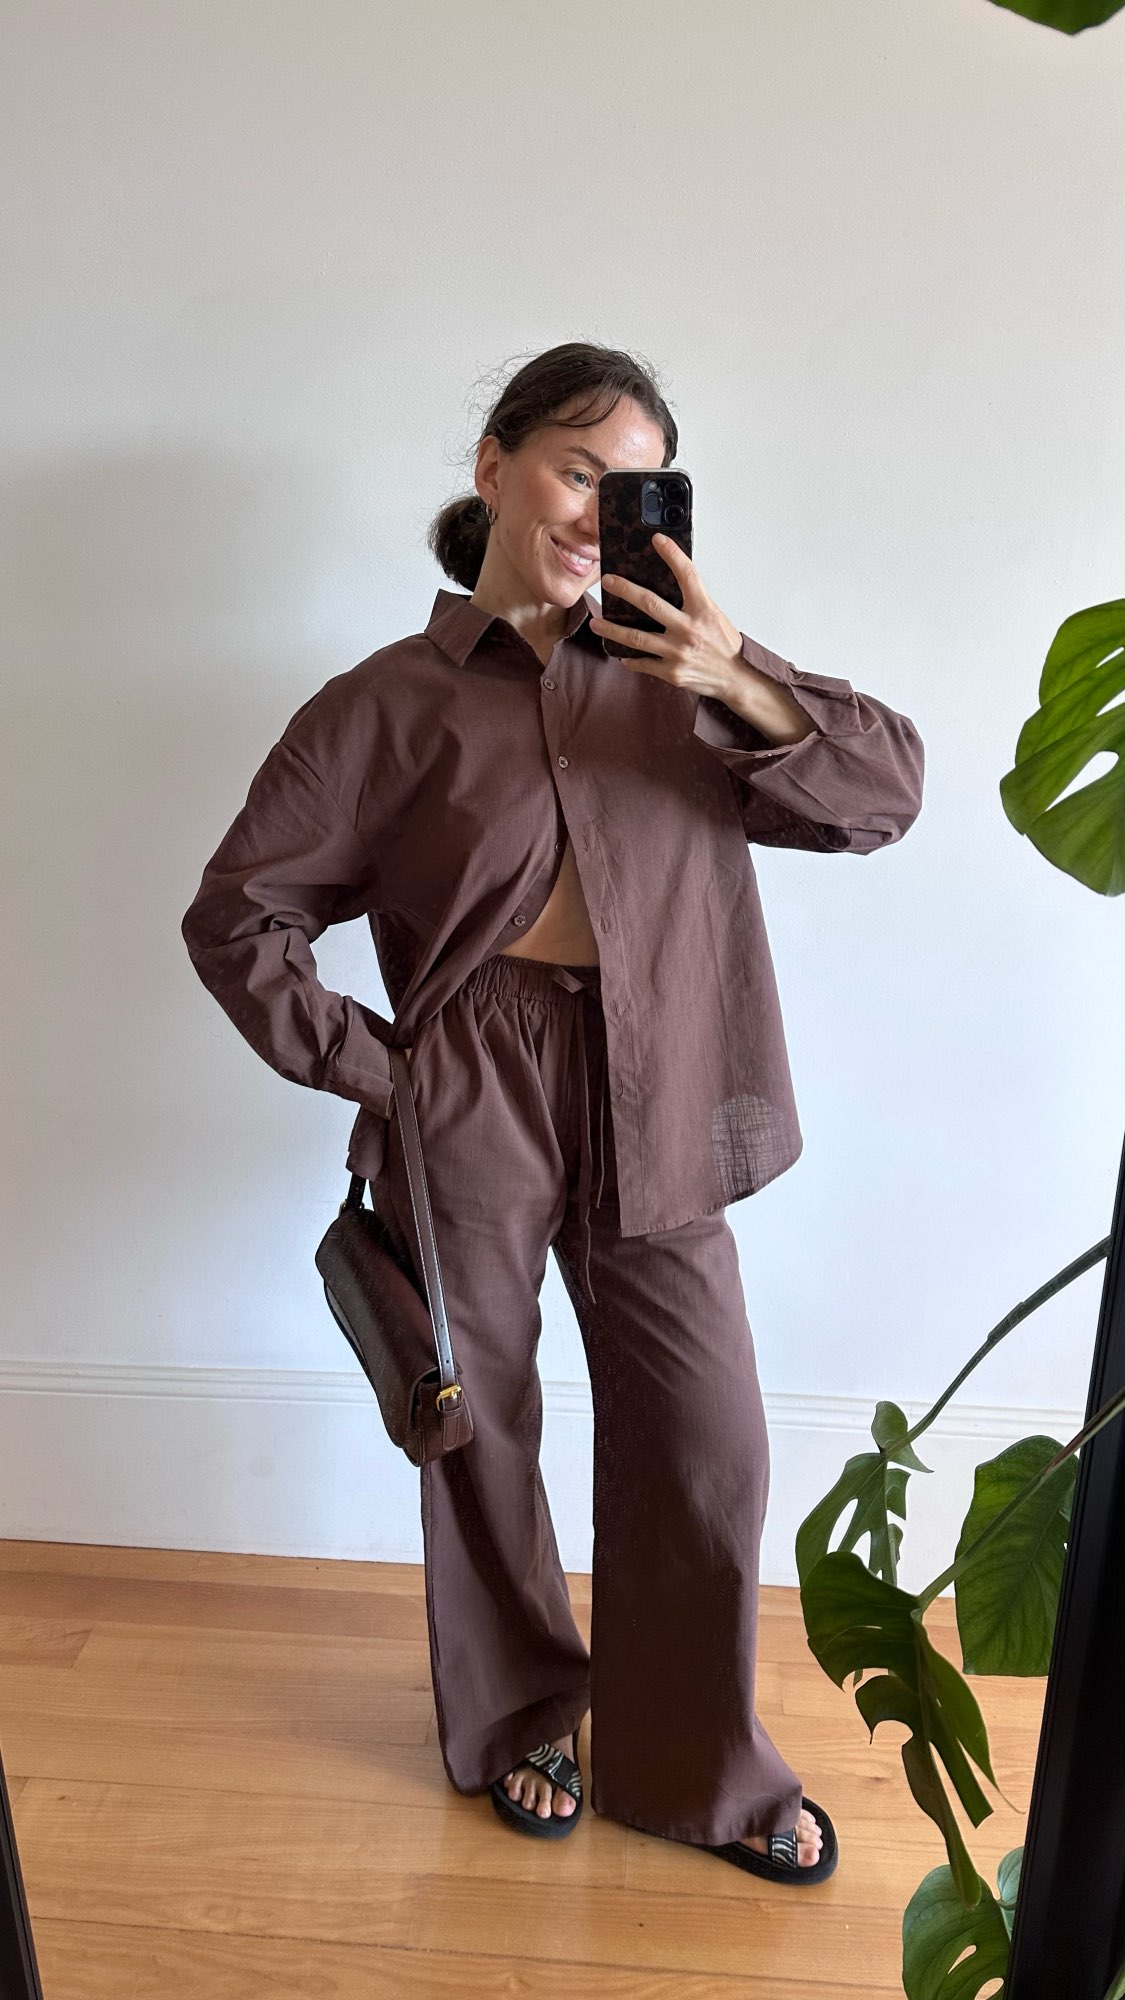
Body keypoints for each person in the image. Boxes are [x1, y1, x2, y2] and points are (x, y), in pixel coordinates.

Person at [181, 340, 924, 1885]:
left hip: (665, 1072)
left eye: (633, 485)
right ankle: (525, 1714)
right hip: (471, 1082)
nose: (596, 511)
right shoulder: (383, 706)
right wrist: (381, 1070)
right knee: (483, 1423)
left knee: (705, 1439)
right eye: (577, 470)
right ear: (493, 468)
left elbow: (883, 797)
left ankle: (695, 1767)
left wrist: (732, 670)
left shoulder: (686, 677)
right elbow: (238, 916)